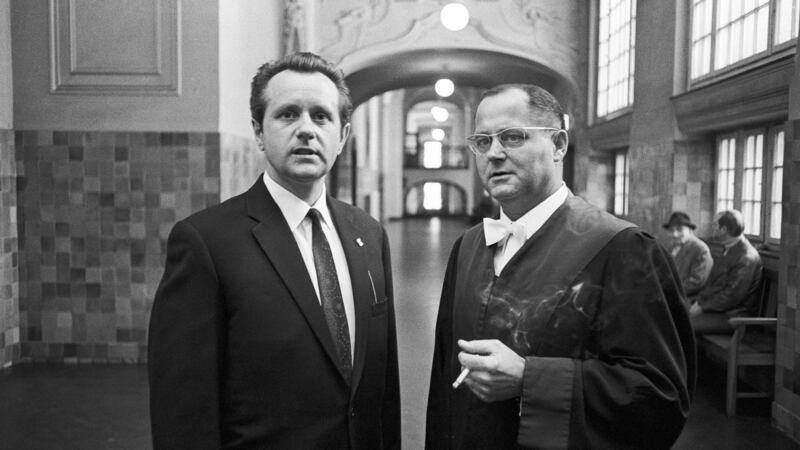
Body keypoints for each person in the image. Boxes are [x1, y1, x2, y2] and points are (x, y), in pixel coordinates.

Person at [148, 52, 400, 449]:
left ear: (342, 136)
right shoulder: (206, 243)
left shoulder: (367, 234)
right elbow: (184, 409)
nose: (306, 130)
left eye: (321, 116)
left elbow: (382, 385)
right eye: (288, 114)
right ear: (259, 132)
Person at [425, 84, 695, 449]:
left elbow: (659, 396)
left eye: (513, 137)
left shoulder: (622, 249)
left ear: (559, 144)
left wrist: (530, 379)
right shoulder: (469, 246)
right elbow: (444, 380)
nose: (494, 153)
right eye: (483, 141)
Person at [688, 210, 763, 334]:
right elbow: (715, 286)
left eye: (715, 225)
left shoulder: (746, 257)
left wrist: (702, 307)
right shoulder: (731, 248)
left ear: (723, 230)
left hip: (734, 317)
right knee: (674, 315)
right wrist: (699, 302)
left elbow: (732, 297)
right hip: (719, 311)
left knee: (682, 325)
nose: (712, 228)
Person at [662, 211, 713, 296]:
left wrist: (670, 292)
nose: (675, 234)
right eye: (671, 230)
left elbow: (697, 282)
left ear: (690, 230)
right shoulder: (671, 247)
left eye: (679, 229)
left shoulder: (700, 249)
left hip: (688, 297)